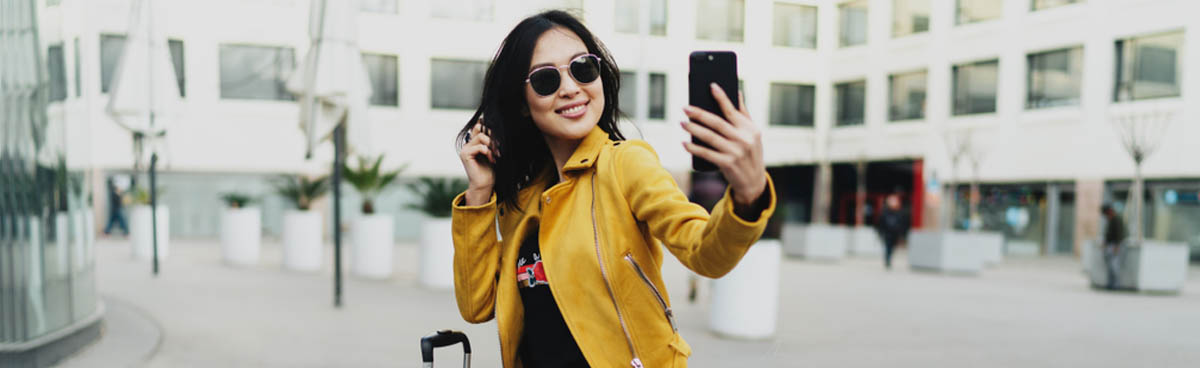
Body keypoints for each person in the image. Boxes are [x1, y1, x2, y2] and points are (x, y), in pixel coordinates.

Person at [451, 10, 775, 368]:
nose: (571, 88)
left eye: (582, 68)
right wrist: (479, 191)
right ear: (522, 105)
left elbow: (705, 254)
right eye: (545, 79)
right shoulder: (522, 203)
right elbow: (477, 305)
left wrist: (748, 196)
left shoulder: (625, 165)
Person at [875, 194, 910, 270]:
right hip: (887, 233)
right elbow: (880, 223)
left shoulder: (900, 213)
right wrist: (880, 232)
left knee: (892, 247)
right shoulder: (884, 212)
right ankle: (887, 260)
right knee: (888, 247)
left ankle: (889, 258)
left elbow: (903, 224)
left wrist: (902, 234)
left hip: (895, 234)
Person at [1101, 204, 1128, 290]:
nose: (1106, 216)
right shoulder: (1110, 219)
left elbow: (1119, 234)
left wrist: (1117, 246)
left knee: (1114, 266)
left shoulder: (1117, 219)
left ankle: (1116, 285)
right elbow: (1108, 234)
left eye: (1106, 213)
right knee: (1110, 266)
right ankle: (1110, 284)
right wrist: (1105, 243)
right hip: (1110, 245)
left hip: (1116, 245)